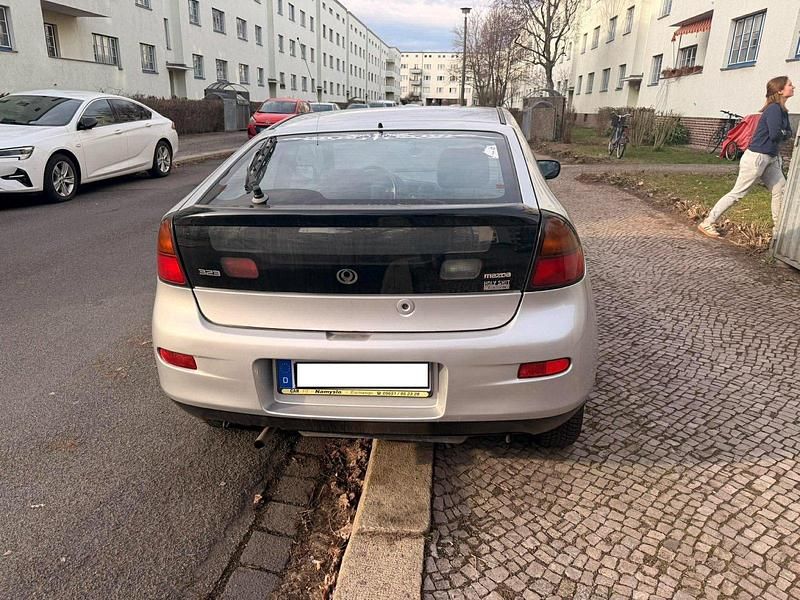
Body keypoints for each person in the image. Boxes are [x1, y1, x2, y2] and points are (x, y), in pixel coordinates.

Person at [698, 76, 794, 238]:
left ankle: (778, 233)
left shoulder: (783, 111)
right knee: (738, 193)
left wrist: (784, 133)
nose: (793, 87)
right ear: (780, 90)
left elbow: (787, 133)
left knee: (780, 190)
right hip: (757, 158)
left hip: (770, 158)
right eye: (790, 85)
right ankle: (708, 222)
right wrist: (784, 134)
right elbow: (776, 134)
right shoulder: (773, 109)